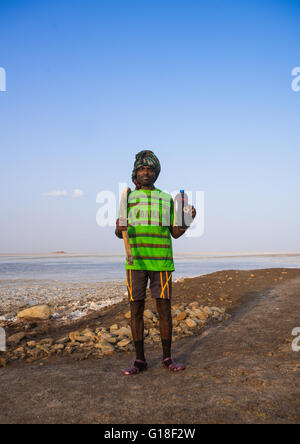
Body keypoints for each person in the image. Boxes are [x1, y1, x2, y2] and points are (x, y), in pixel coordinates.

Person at [115, 150, 196, 375]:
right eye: (142, 169)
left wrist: (188, 219)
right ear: (136, 172)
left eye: (150, 169)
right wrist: (117, 227)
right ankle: (139, 360)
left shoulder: (166, 199)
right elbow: (119, 231)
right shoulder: (127, 198)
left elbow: (175, 233)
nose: (146, 172)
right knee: (136, 311)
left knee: (164, 311)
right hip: (136, 262)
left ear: (156, 173)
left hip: (161, 262)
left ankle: (167, 357)